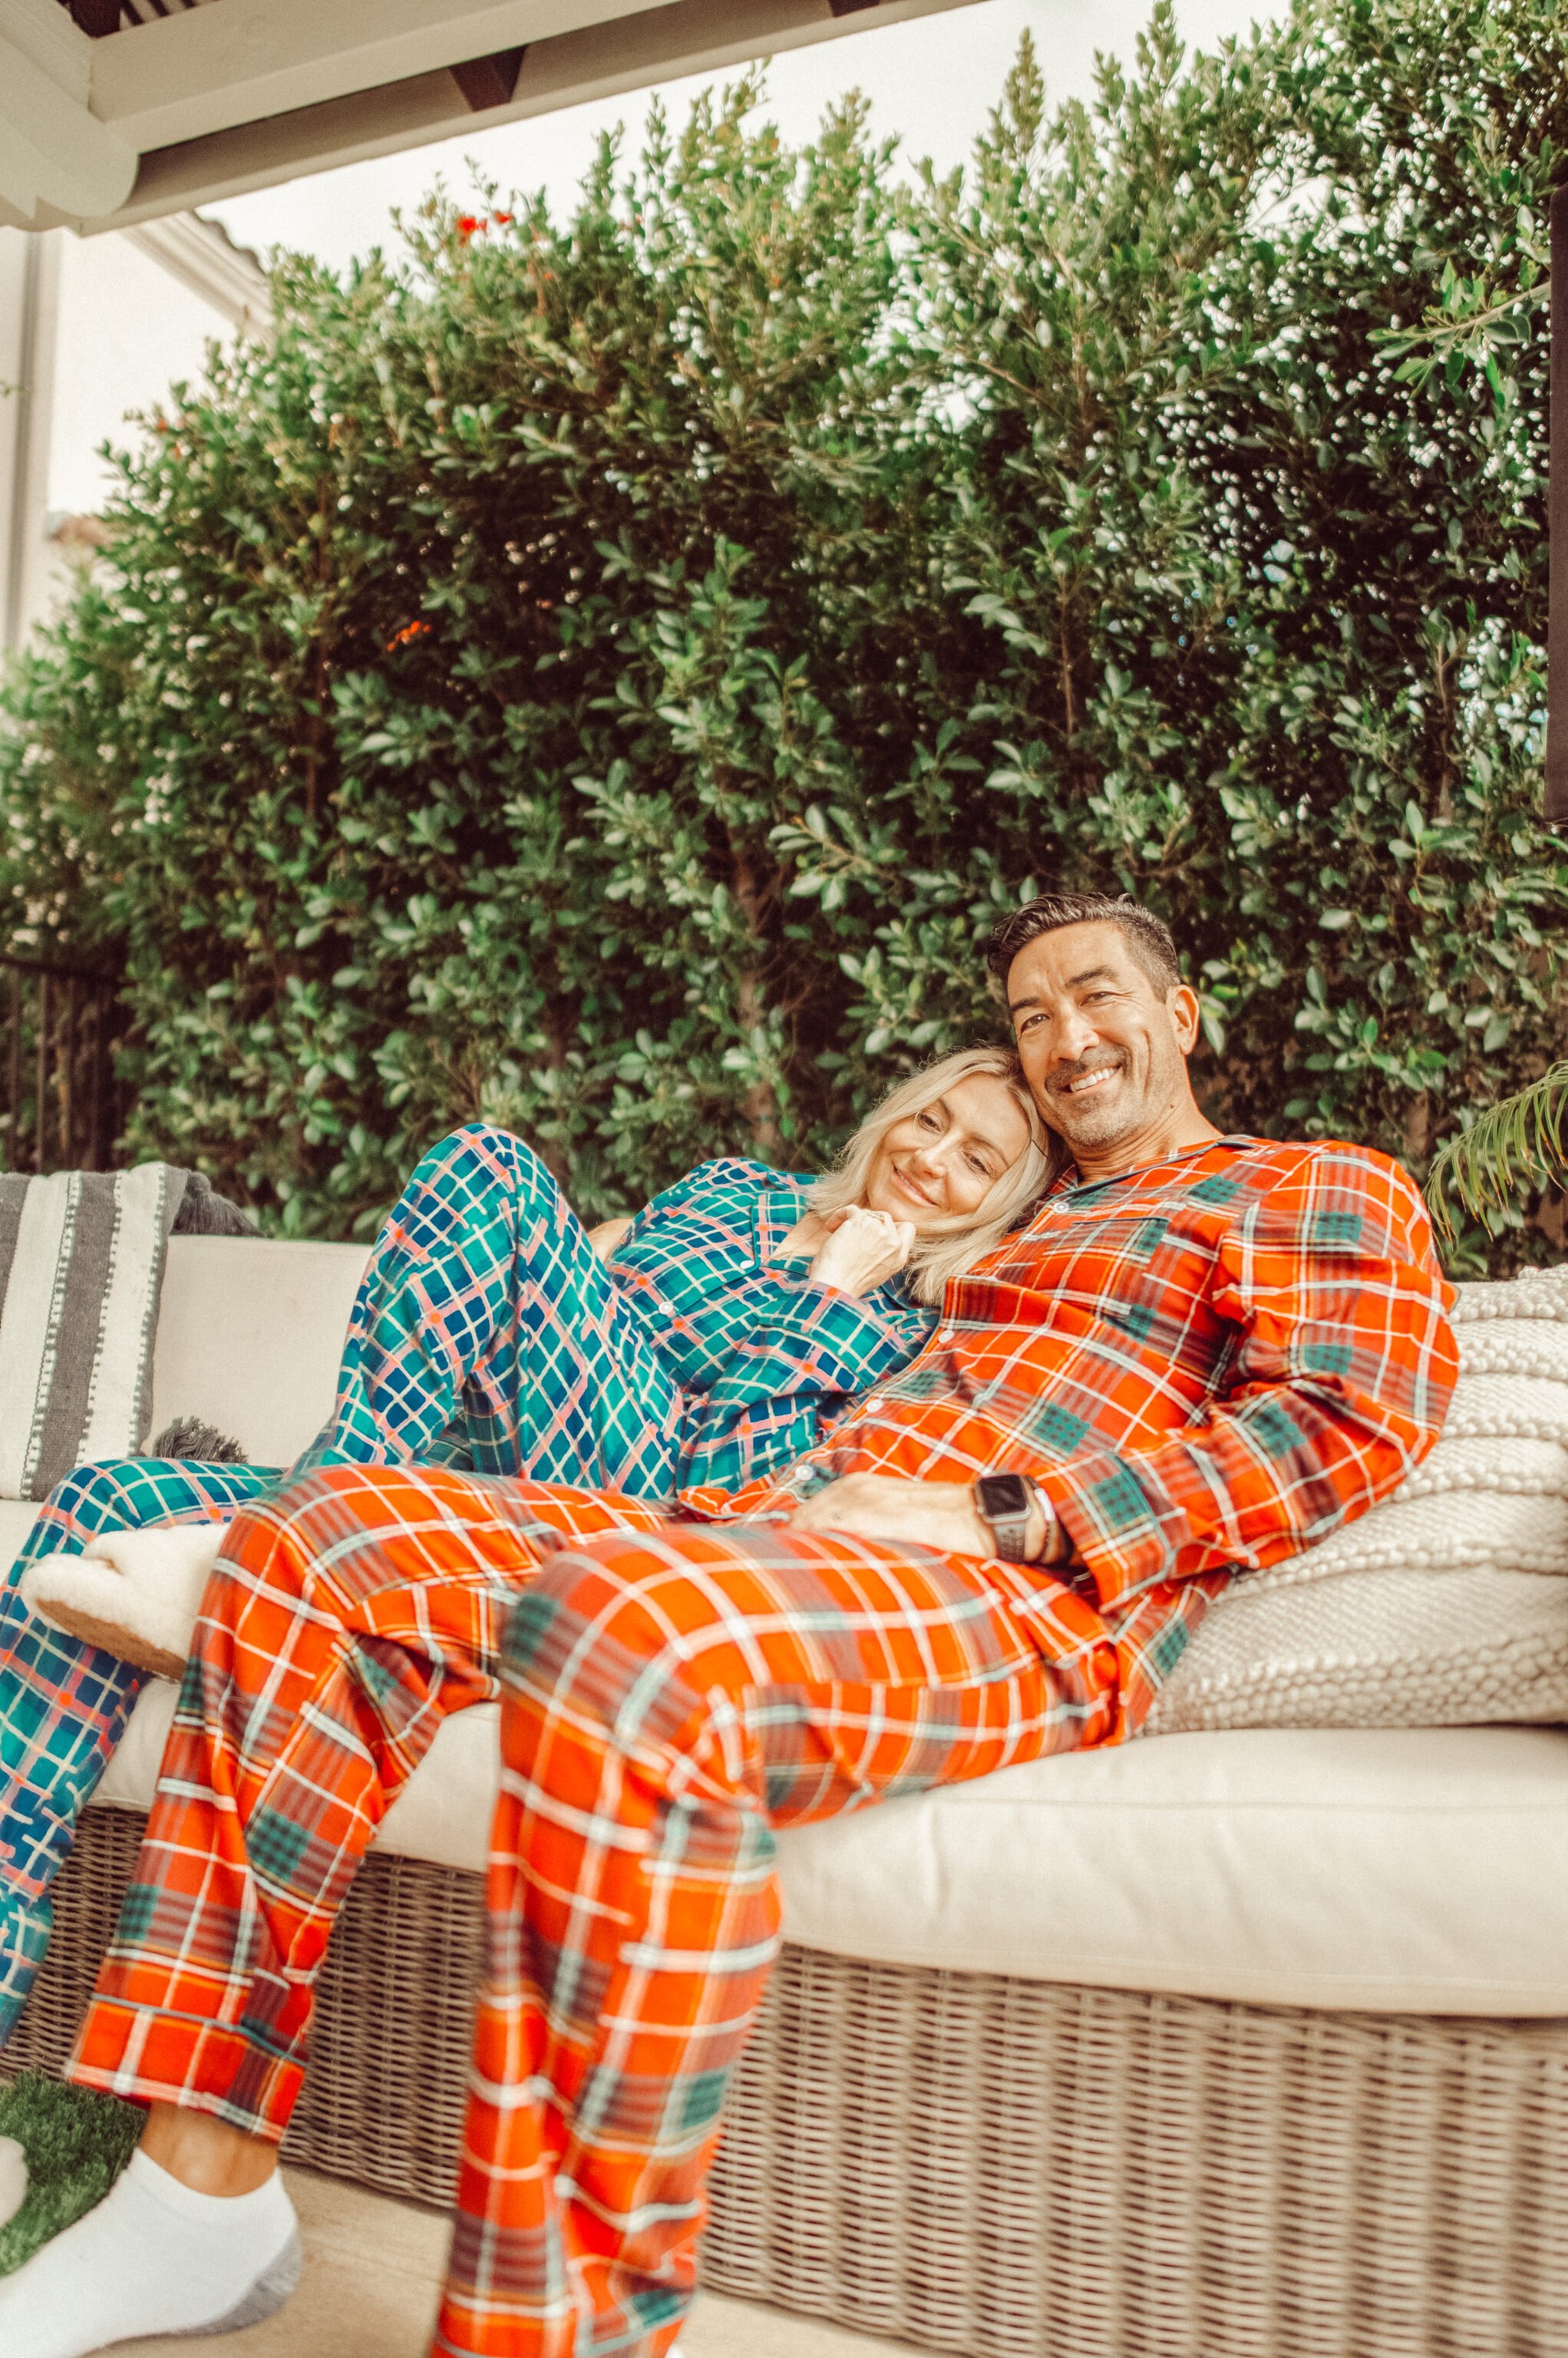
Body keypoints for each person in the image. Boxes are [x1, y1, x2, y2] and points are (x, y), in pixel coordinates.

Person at [0, 890, 1458, 2358]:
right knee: (313, 1542)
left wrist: (996, 1513)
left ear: (1182, 1012)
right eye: (1031, 1013)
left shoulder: (1307, 1188)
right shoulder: (979, 1240)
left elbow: (1348, 1418)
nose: (1065, 1037)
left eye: (1096, 996)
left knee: (621, 1643)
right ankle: (199, 2201)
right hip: (747, 1530)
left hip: (1007, 1591)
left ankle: (554, 2335)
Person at [0, 1049, 1047, 2046]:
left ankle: (284, 1537)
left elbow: (721, 1483)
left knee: (490, 1162)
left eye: (976, 1161)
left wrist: (828, 1292)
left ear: (998, 1207)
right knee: (110, 1498)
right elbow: (546, 1313)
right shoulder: (733, 1190)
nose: (932, 1156)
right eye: (933, 1117)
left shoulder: (906, 1333)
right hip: (466, 1466)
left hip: (619, 1511)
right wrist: (565, 1274)